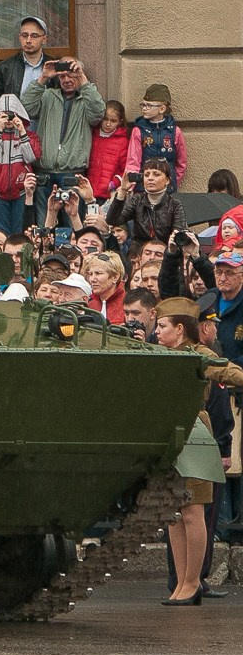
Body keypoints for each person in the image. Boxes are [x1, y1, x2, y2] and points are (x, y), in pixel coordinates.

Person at [155, 294, 243, 603]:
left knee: (192, 511)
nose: (157, 332)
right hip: (165, 431)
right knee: (173, 514)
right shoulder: (155, 353)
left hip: (193, 432)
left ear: (180, 329)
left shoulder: (198, 354)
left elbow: (229, 372)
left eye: (162, 326)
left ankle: (192, 583)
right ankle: (181, 582)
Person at [23, 56, 103, 226]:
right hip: (44, 170)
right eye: (62, 76)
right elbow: (27, 107)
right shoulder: (48, 96)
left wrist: (82, 79)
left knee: (72, 222)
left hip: (72, 172)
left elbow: (97, 114)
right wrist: (43, 77)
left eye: (71, 75)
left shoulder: (86, 98)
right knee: (44, 224)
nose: (66, 80)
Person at [0, 15, 53, 138]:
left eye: (34, 36)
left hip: (46, 132)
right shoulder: (5, 67)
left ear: (44, 39)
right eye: (24, 35)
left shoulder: (52, 67)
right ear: (19, 37)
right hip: (13, 134)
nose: (28, 40)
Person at [0, 95, 40, 238]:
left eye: (12, 115)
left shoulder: (30, 136)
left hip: (21, 192)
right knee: (1, 234)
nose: (8, 120)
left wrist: (22, 132)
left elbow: (31, 157)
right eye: (4, 116)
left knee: (20, 232)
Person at [108, 157, 186, 251]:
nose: (150, 178)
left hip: (164, 253)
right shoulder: (137, 199)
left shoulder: (175, 205)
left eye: (156, 174)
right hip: (138, 254)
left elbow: (178, 235)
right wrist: (122, 191)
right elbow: (112, 220)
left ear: (167, 180)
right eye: (146, 175)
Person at [128, 84, 187, 191]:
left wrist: (172, 180)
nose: (144, 109)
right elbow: (133, 161)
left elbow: (181, 162)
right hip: (143, 187)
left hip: (167, 188)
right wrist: (132, 185)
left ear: (162, 108)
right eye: (143, 105)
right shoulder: (138, 131)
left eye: (149, 106)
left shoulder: (174, 131)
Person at [88, 100, 134, 200]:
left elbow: (126, 168)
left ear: (120, 122)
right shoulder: (92, 135)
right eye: (105, 119)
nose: (108, 124)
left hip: (107, 193)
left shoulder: (122, 141)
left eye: (113, 121)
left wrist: (115, 182)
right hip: (88, 191)